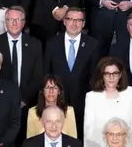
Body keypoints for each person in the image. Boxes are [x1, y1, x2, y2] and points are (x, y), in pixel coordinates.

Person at [42, 8, 100, 137]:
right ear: (64, 21)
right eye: (71, 19)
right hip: (56, 103)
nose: (74, 24)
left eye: (79, 20)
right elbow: (46, 73)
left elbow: (95, 76)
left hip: (82, 103)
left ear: (84, 23)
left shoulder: (93, 45)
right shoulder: (52, 43)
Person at [0, 6, 43, 110]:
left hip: (28, 104)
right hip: (0, 103)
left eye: (18, 20)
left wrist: (24, 99)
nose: (14, 23)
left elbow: (38, 75)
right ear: (5, 22)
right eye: (10, 20)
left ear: (23, 23)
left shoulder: (35, 44)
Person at [83, 56, 132, 147]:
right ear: (101, 75)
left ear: (120, 74)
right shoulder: (92, 96)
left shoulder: (130, 93)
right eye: (107, 74)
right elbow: (88, 129)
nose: (111, 77)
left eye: (115, 73)